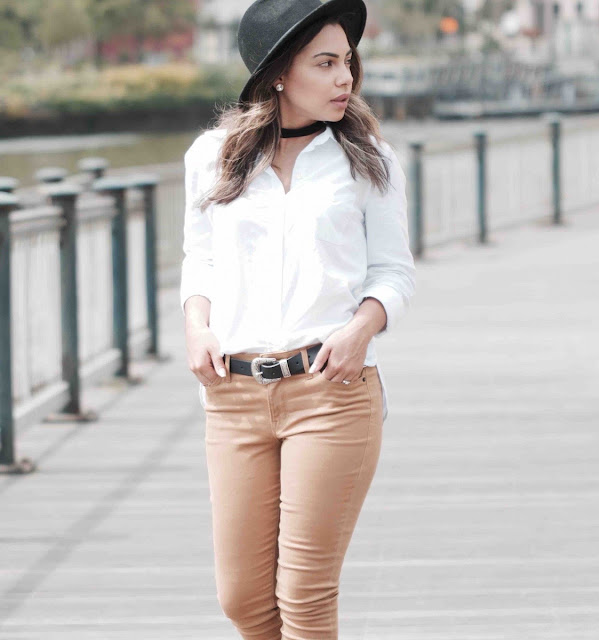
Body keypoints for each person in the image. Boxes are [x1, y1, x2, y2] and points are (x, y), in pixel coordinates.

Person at [180, 0, 416, 637]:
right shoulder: (211, 156)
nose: (346, 78)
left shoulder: (369, 160)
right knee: (243, 601)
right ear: (279, 72)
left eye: (347, 62)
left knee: (305, 597)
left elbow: (394, 272)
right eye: (326, 63)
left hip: (330, 392)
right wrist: (197, 326)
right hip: (232, 395)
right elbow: (200, 259)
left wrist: (361, 329)